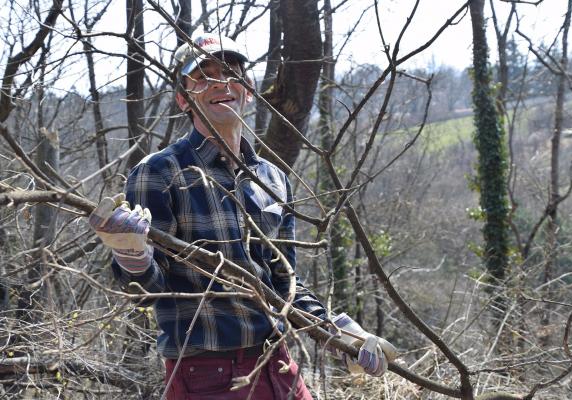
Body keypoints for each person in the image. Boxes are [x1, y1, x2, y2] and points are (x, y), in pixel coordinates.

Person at [89, 29, 397, 399]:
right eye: (203, 77)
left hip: (278, 363)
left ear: (248, 89)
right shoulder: (159, 173)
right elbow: (146, 294)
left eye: (230, 73)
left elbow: (285, 283)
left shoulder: (272, 178)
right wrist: (132, 256)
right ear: (183, 99)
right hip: (207, 374)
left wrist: (341, 334)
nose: (221, 83)